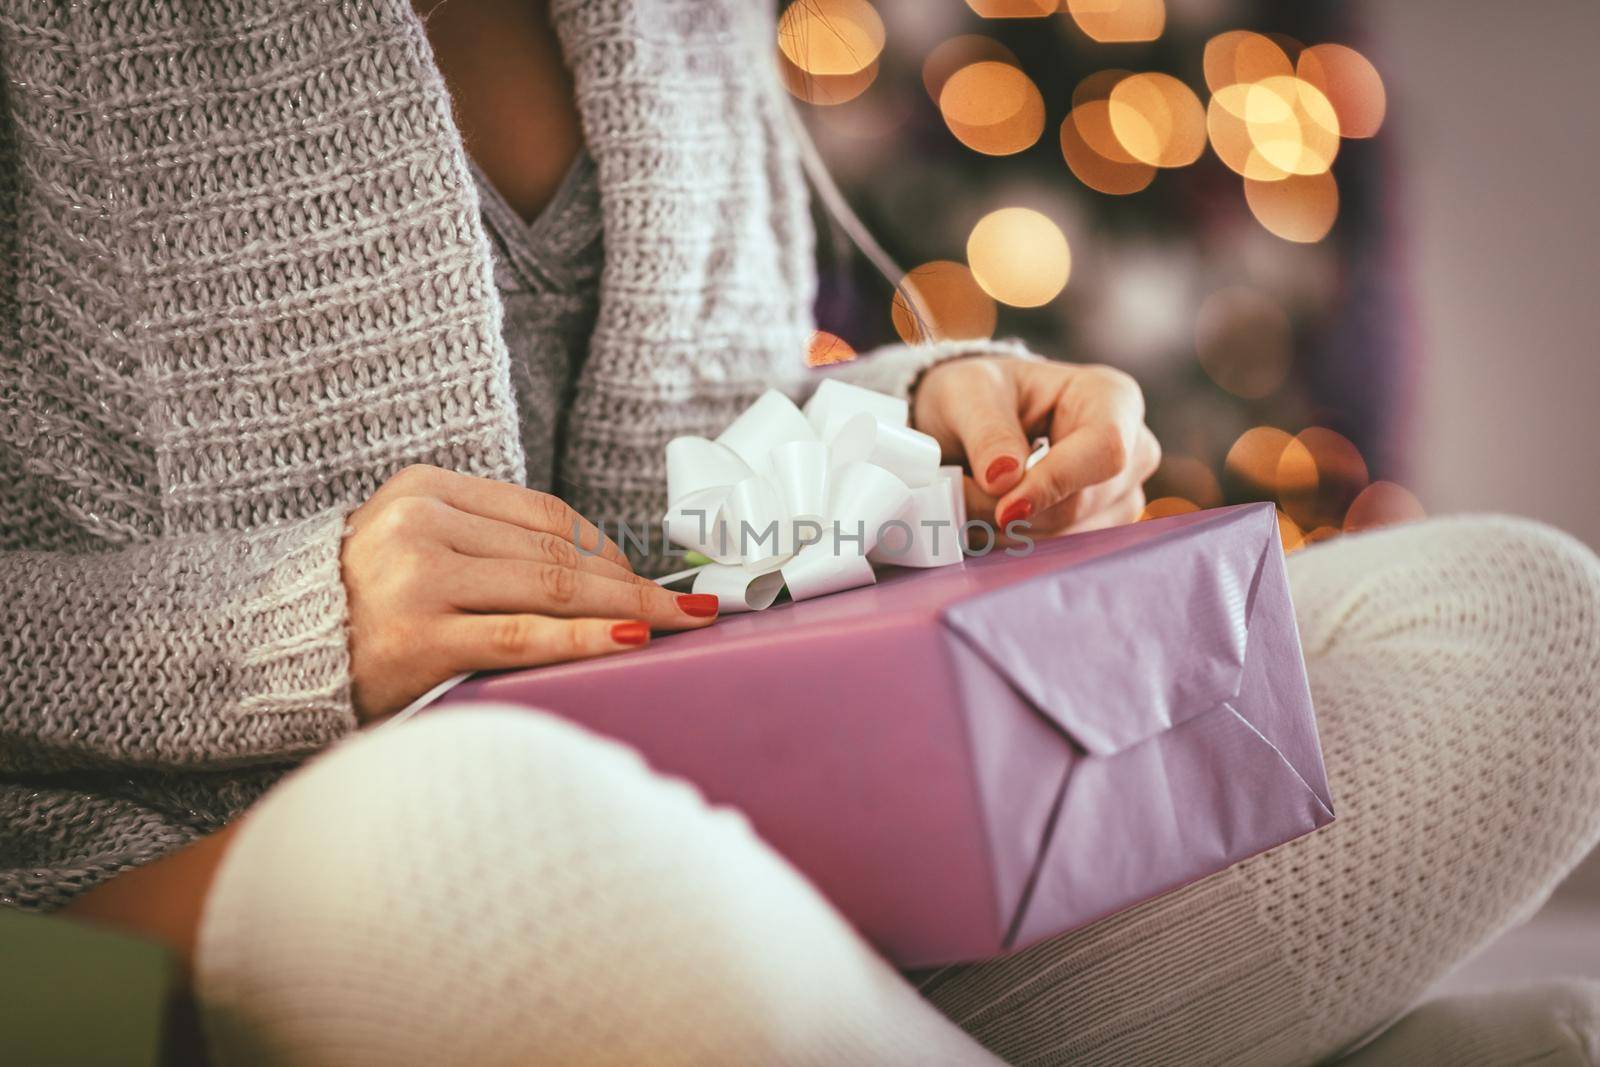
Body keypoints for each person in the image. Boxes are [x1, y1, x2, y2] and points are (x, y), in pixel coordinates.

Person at [2, 1, 1596, 1063]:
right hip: (217, 863)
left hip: (778, 801)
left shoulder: (681, 21)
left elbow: (698, 493)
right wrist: (282, 628)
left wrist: (918, 424)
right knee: (486, 824)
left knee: (1532, 627)